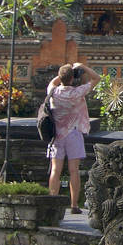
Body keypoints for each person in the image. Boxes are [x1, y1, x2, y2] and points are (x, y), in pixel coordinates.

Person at [46, 62, 100, 214]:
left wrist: (65, 72)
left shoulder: (53, 92)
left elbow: (53, 82)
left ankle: (52, 201)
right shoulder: (77, 93)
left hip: (57, 135)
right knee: (74, 171)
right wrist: (81, 66)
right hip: (74, 134)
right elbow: (97, 78)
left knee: (55, 170)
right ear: (72, 79)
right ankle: (74, 205)